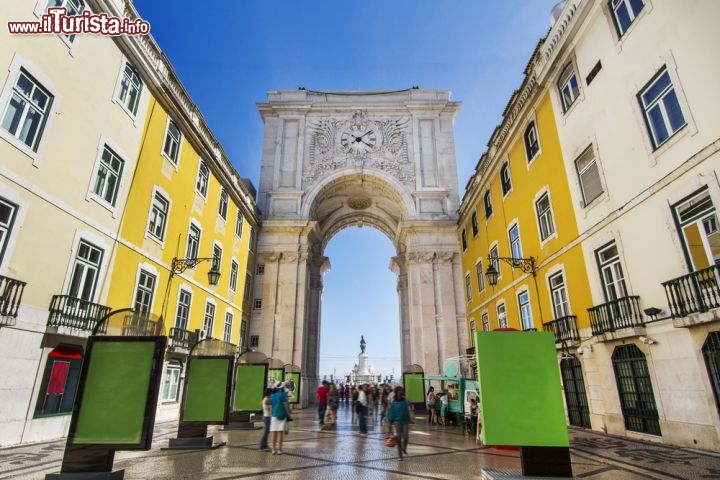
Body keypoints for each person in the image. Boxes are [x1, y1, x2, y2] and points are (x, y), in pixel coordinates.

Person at [386, 386, 414, 460]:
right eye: (399, 391)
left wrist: (411, 417)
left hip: (405, 421)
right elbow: (391, 412)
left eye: (402, 391)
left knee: (406, 437)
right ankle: (400, 455)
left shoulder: (405, 401)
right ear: (396, 392)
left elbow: (409, 409)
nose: (401, 392)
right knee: (398, 437)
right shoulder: (394, 402)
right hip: (397, 421)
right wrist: (390, 422)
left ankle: (404, 447)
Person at [270, 382, 291, 454]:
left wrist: (271, 415)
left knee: (274, 433)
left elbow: (271, 406)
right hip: (282, 415)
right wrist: (288, 414)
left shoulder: (272, 395)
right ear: (282, 388)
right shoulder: (282, 395)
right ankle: (279, 450)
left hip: (274, 416)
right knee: (280, 433)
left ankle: (273, 449)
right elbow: (286, 406)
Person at [259, 387, 272, 452]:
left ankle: (265, 445)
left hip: (267, 416)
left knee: (267, 432)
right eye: (271, 393)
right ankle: (261, 446)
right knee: (266, 432)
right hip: (267, 417)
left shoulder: (266, 399)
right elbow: (268, 409)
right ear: (269, 393)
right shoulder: (266, 399)